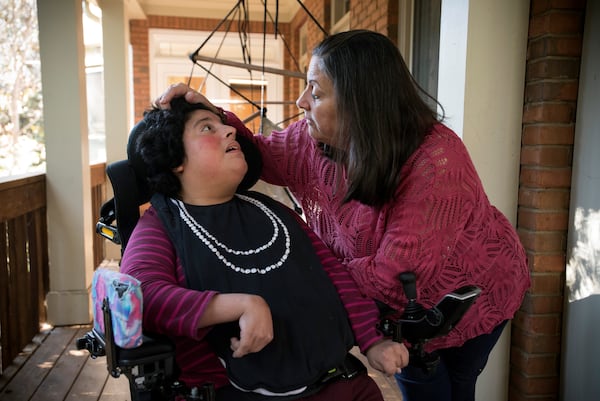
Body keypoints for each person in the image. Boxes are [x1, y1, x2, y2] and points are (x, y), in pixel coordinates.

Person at [157, 29, 531, 401]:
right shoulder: (312, 138)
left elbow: (394, 277)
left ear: (360, 103)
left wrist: (287, 274)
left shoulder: (435, 160)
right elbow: (260, 158)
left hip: (475, 292)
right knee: (429, 383)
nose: (302, 101)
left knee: (452, 383)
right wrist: (214, 116)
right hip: (403, 308)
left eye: (316, 92)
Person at [119, 96, 409, 401]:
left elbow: (334, 277)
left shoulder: (273, 211)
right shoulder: (161, 226)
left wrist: (374, 341)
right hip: (233, 390)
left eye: (224, 125)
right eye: (207, 128)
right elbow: (138, 297)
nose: (229, 131)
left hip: (340, 381)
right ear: (174, 159)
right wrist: (241, 305)